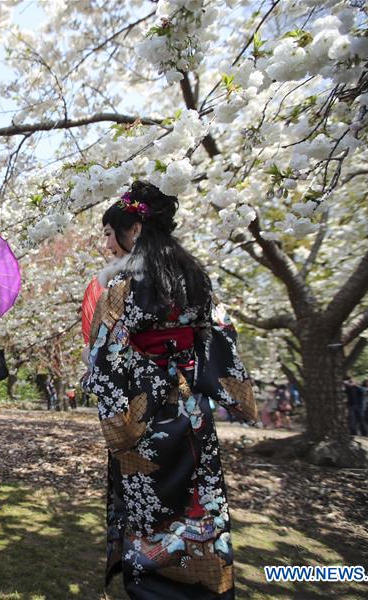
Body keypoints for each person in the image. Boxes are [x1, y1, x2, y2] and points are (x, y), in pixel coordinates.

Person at [84, 181, 257, 599]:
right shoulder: (196, 276)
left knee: (148, 501)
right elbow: (219, 332)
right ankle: (205, 580)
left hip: (143, 407)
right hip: (190, 405)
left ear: (136, 228)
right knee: (198, 492)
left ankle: (154, 588)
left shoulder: (123, 283)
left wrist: (114, 409)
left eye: (110, 232)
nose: (107, 243)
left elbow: (105, 352)